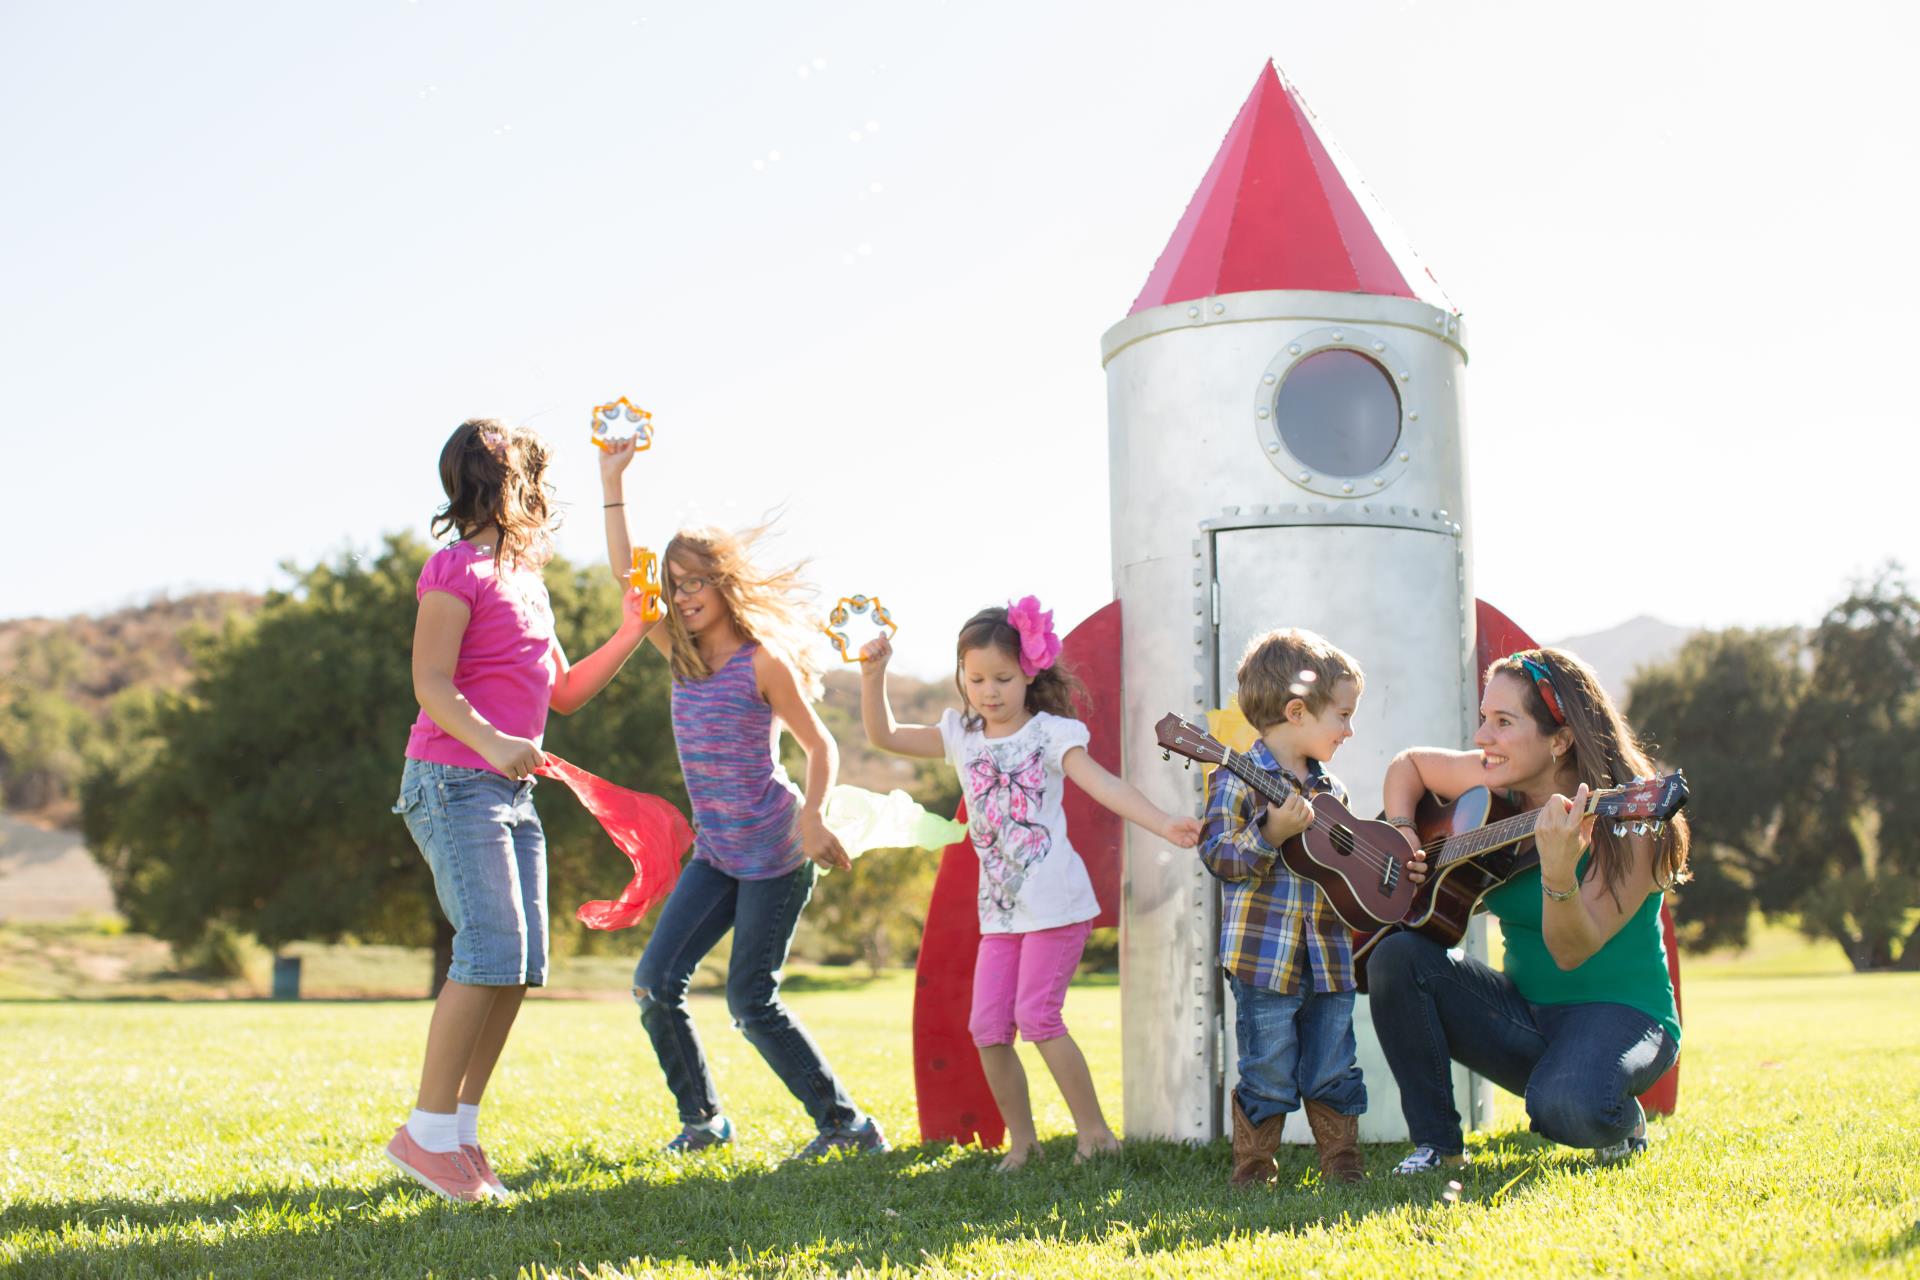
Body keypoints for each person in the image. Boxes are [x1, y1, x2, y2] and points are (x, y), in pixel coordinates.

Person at [387, 419, 656, 1202]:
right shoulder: (454, 570)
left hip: (509, 788)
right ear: (513, 486)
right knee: (489, 947)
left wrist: (634, 630)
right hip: (451, 780)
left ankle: (459, 1131)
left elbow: (563, 693)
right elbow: (431, 682)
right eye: (534, 480)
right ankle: (425, 1132)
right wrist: (491, 737)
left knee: (521, 961)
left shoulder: (526, 582)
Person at [600, 439, 885, 1159]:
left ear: (725, 584)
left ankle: (848, 1126)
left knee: (750, 1001)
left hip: (778, 851)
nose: (685, 595)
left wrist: (814, 816)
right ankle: (703, 1121)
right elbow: (622, 576)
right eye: (676, 583)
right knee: (654, 983)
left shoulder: (762, 661)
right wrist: (613, 480)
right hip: (718, 853)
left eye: (697, 581)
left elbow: (822, 747)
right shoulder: (679, 652)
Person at [858, 599, 1201, 1170]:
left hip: (1057, 906)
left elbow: (1105, 786)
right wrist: (874, 675)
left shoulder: (1050, 734)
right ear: (961, 677)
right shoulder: (961, 734)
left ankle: (1096, 1135)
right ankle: (1024, 1141)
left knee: (1039, 1019)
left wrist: (1164, 822)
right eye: (976, 679)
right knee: (988, 1029)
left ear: (1030, 673)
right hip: (1000, 914)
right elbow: (885, 735)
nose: (989, 691)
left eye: (1003, 678)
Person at [1368, 647, 1689, 1173]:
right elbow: (1410, 767)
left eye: (1503, 722)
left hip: (1623, 1015)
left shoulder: (1634, 824)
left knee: (1567, 1106)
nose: (1481, 738)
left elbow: (1571, 951)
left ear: (1560, 740)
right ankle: (1437, 1146)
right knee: (1398, 957)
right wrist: (1405, 830)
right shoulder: (1496, 783)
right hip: (1523, 1017)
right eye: (1483, 720)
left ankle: (1614, 1113)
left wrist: (1559, 873)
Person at [1199, 628, 1371, 1187]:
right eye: (1342, 716)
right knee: (1267, 1067)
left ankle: (1342, 1165)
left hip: (1329, 956)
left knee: (1333, 1065)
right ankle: (1254, 1168)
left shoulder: (1333, 791)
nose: (1350, 729)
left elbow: (1349, 869)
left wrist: (1385, 869)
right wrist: (1269, 832)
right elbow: (1220, 857)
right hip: (1263, 959)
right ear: (1297, 711)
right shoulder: (1233, 778)